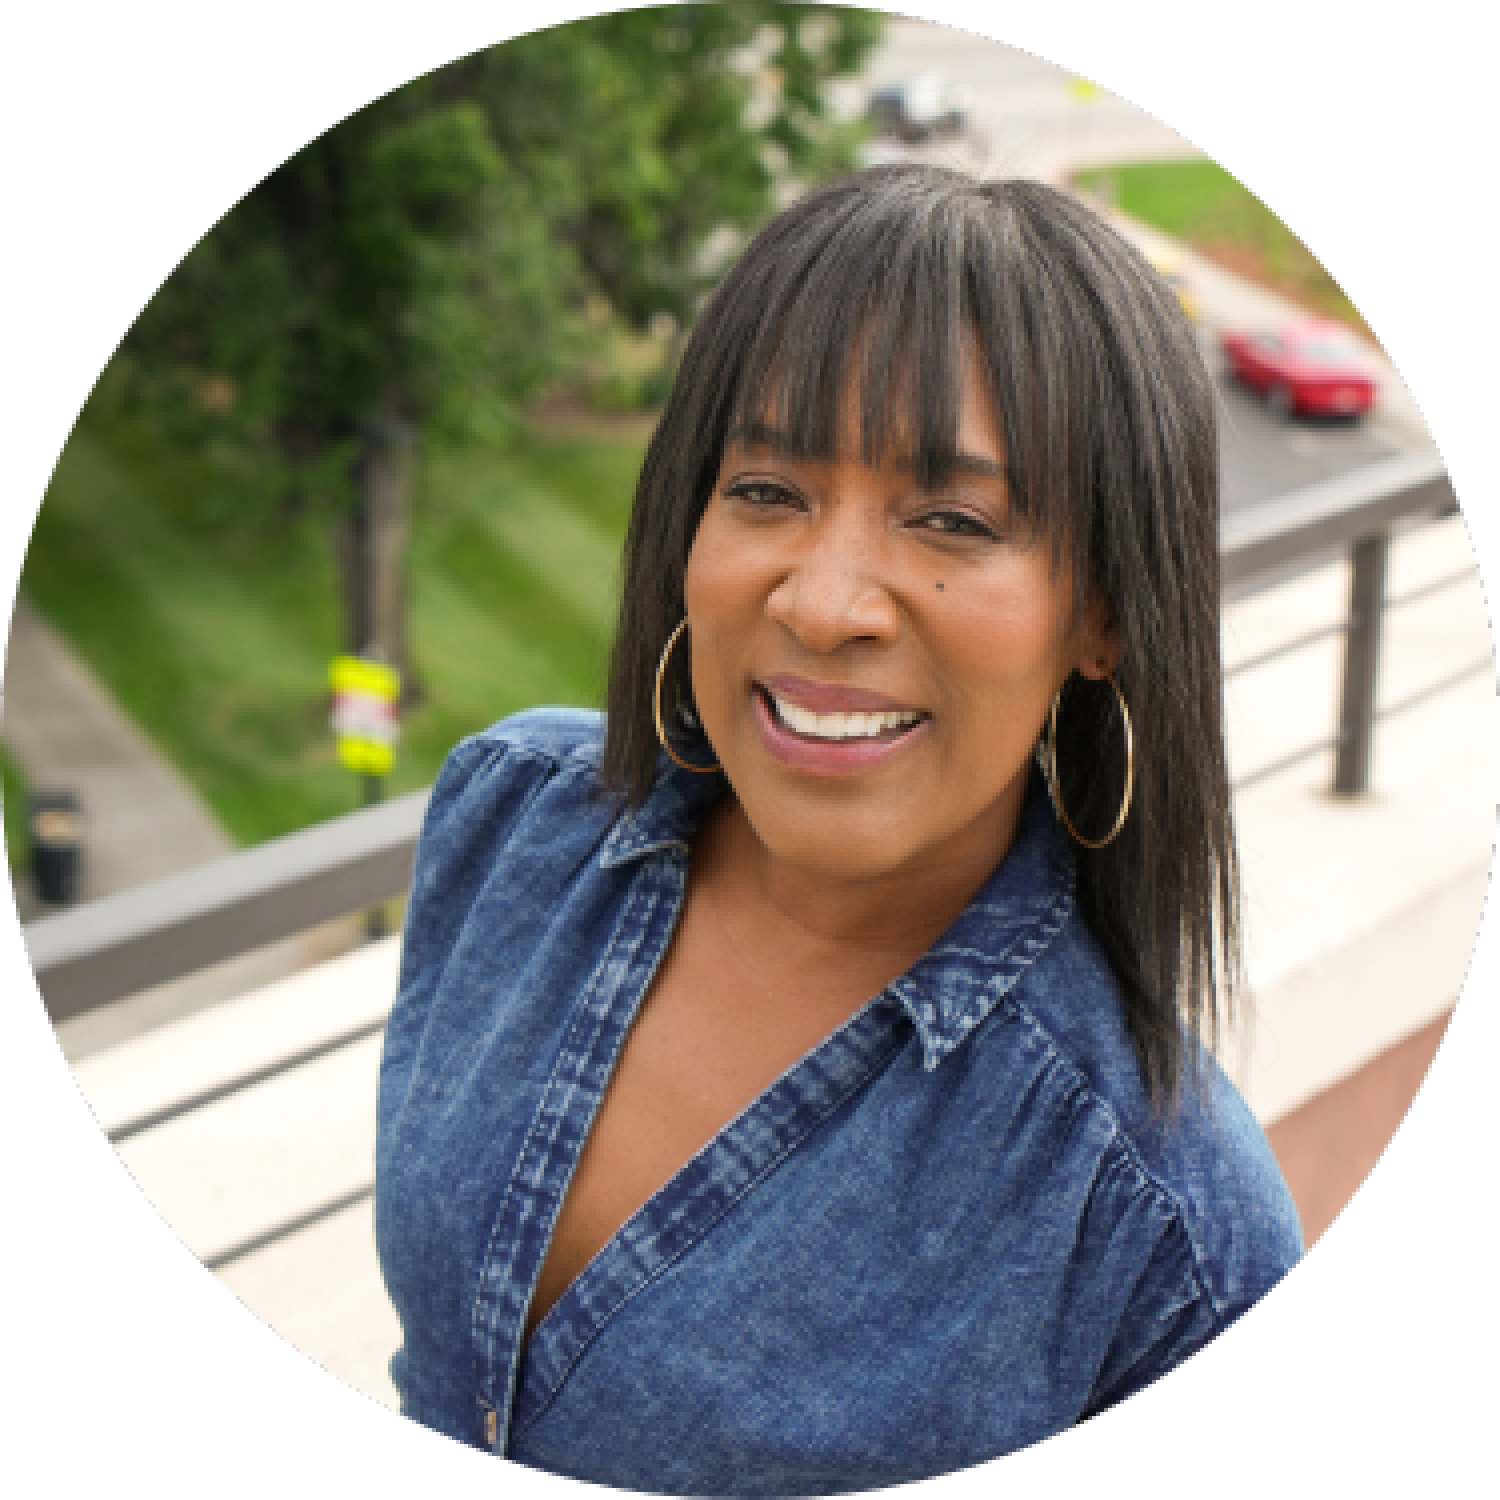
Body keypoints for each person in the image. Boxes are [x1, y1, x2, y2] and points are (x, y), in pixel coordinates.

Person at [375, 164, 1304, 1490]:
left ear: (1099, 613)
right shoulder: (509, 816)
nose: (824, 602)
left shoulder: (1163, 1233)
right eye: (766, 489)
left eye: (952, 519)